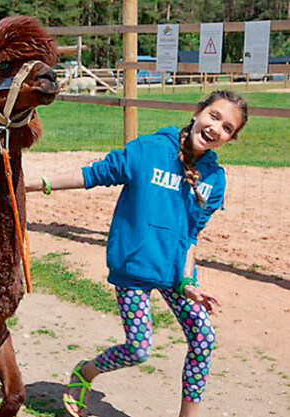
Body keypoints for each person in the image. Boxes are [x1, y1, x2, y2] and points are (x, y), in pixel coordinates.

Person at [25, 90, 248, 417]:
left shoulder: (215, 179)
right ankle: (86, 372)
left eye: (228, 128)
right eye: (214, 116)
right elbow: (92, 175)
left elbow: (190, 236)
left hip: (175, 276)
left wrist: (188, 280)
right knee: (138, 350)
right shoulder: (149, 150)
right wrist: (32, 184)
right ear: (199, 112)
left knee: (203, 338)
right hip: (134, 272)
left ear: (230, 138)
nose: (217, 128)